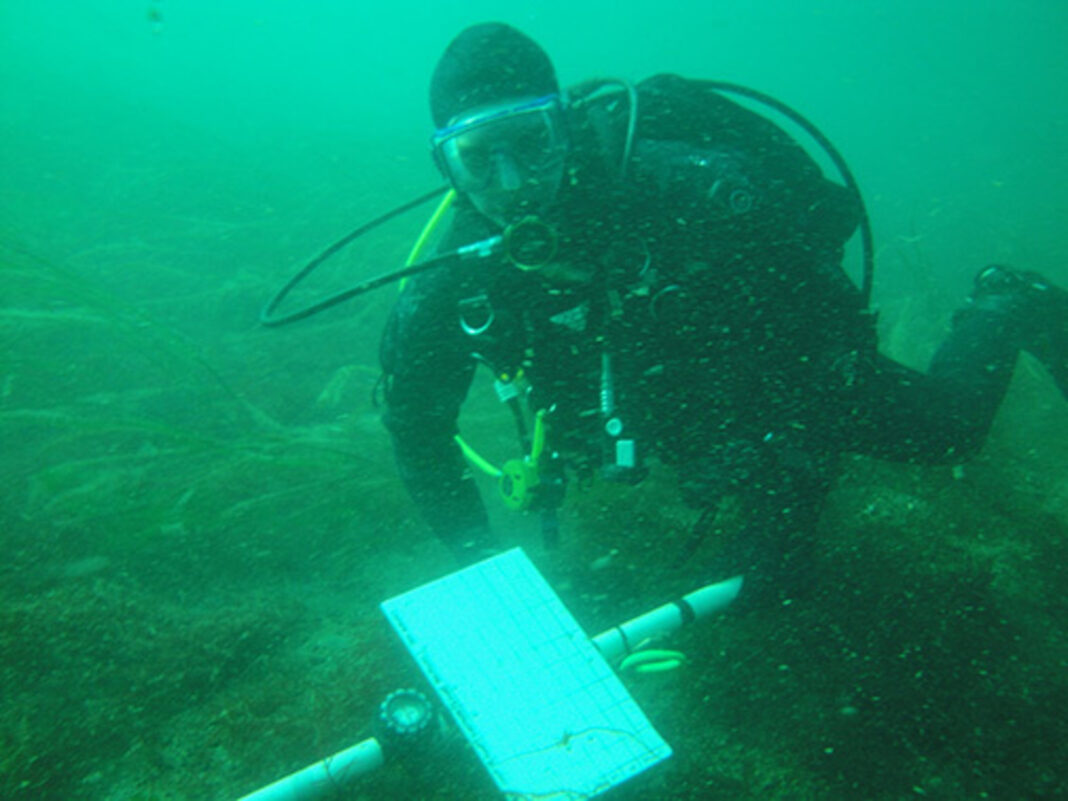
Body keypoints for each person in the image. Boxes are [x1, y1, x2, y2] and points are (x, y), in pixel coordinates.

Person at [378, 22, 1066, 605]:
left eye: (531, 141)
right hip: (674, 406)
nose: (512, 183)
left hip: (781, 381)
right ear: (448, 168)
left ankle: (1007, 303)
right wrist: (480, 565)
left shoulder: (692, 194)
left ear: (563, 125)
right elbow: (416, 427)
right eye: (477, 158)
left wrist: (785, 476)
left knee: (947, 432)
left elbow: (828, 333)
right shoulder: (454, 284)